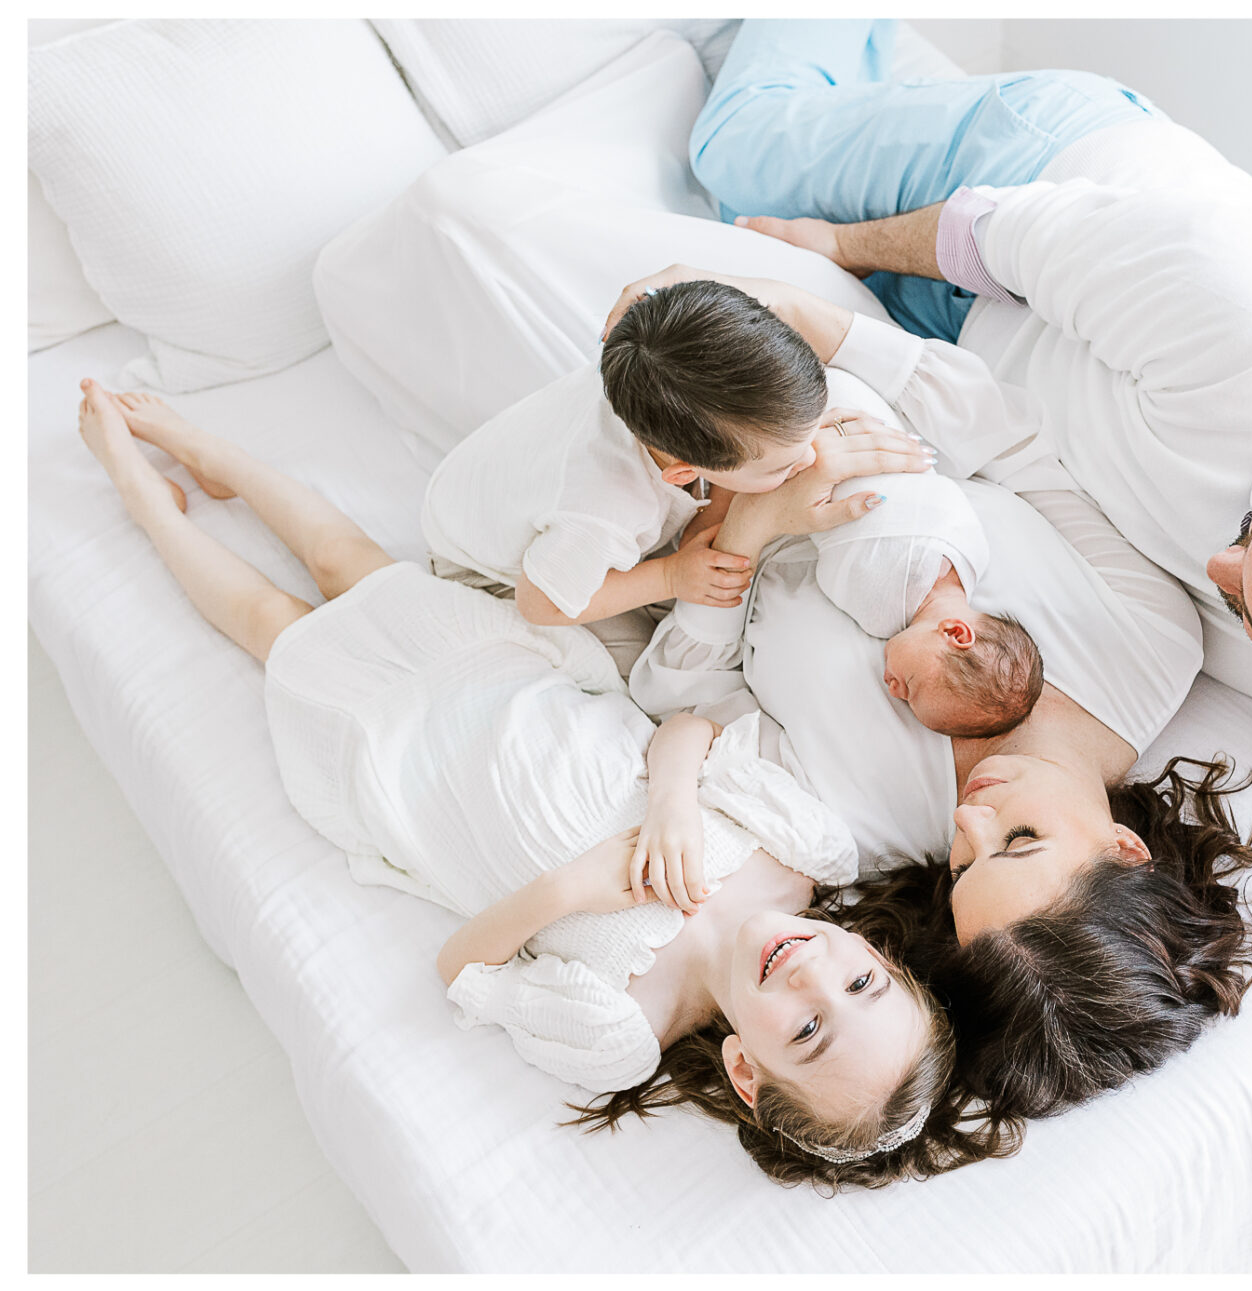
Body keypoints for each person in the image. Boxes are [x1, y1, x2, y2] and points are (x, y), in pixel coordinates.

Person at [666, 18, 1252, 1047]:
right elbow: (996, 233)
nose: (1218, 567)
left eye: (1247, 606)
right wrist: (834, 258)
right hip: (1024, 196)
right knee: (740, 160)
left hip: (967, 378)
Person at [75, 378, 1013, 1188]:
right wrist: (671, 806)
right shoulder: (800, 854)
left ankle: (142, 496)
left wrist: (578, 887)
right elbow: (687, 727)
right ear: (881, 955)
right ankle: (200, 444)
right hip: (509, 683)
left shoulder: (624, 1028)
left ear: (747, 1070)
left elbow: (463, 969)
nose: (813, 973)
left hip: (405, 765)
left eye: (806, 1031)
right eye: (860, 981)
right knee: (343, 559)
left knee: (273, 624)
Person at [625, 289, 1252, 1118]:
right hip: (821, 363)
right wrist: (834, 332)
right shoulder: (1150, 642)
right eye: (1021, 840)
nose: (969, 822)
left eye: (964, 868)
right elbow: (1020, 446)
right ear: (1125, 846)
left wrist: (750, 528)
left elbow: (681, 694)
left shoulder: (852, 827)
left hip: (675, 495)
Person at [421, 278, 936, 676]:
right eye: (785, 463)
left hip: (496, 484)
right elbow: (540, 603)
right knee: (629, 666)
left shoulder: (652, 366)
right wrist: (669, 576)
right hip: (493, 567)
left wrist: (784, 440)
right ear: (683, 472)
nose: (808, 459)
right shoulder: (605, 508)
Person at [811, 464, 1044, 739]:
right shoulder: (878, 615)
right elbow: (828, 570)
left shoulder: (975, 555)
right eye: (911, 686)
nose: (894, 691)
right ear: (955, 632)